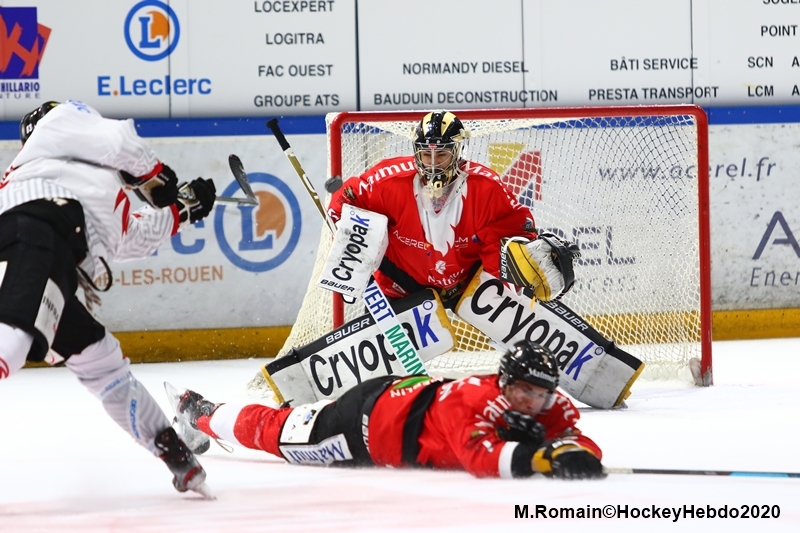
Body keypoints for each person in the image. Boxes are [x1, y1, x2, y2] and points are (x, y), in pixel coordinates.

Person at [0, 100, 217, 497]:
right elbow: (117, 139)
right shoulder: (55, 123)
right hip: (34, 234)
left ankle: (174, 454)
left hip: (46, 249)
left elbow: (131, 239)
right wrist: (156, 173)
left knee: (102, 362)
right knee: (12, 341)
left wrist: (182, 210)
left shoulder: (90, 187)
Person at [169, 340, 606, 480]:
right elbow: (478, 458)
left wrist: (582, 453)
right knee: (275, 433)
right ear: (505, 383)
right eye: (523, 392)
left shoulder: (552, 405)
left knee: (283, 425)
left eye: (541, 394)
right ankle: (198, 410)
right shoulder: (472, 401)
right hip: (362, 428)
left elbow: (577, 439)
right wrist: (541, 458)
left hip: (403, 397)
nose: (532, 403)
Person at [327, 110, 564, 307]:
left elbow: (512, 230)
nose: (432, 163)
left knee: (523, 338)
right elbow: (347, 200)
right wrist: (349, 249)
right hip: (401, 281)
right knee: (388, 358)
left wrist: (524, 261)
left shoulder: (486, 187)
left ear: (458, 151)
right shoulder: (388, 181)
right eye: (425, 154)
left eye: (441, 154)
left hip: (468, 283)